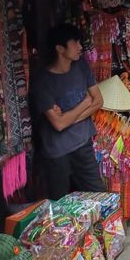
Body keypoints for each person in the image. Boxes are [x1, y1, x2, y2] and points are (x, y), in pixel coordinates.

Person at [33, 24, 105, 199]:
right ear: (60, 48)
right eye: (75, 42)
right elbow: (58, 125)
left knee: (99, 198)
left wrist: (67, 117)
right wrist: (84, 104)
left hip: (83, 144)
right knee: (62, 208)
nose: (80, 47)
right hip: (58, 153)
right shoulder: (43, 81)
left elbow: (98, 101)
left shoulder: (81, 65)